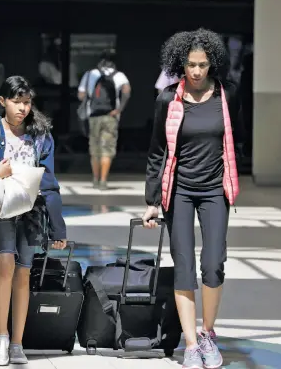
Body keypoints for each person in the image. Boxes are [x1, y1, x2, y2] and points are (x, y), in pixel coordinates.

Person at [142, 28, 243, 369]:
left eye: (202, 64)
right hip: (179, 191)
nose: (197, 71)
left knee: (213, 263)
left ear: (212, 63)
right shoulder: (167, 99)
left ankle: (207, 334)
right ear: (180, 64)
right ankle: (189, 344)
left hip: (216, 189)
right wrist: (153, 200)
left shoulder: (227, 95)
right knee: (183, 265)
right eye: (190, 65)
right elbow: (157, 152)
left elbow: (236, 138)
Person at [0, 76, 67, 366]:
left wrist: (58, 227)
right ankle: (1, 337)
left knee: (24, 272)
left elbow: (49, 183)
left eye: (27, 102)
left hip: (31, 211)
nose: (22, 108)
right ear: (3, 102)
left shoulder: (41, 135)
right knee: (5, 262)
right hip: (1, 209)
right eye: (16, 101)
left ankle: (17, 341)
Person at [77, 51, 131, 190]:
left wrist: (90, 98)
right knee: (107, 148)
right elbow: (127, 91)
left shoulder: (89, 74)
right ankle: (103, 181)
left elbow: (81, 95)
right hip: (110, 116)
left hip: (93, 116)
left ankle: (95, 179)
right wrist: (119, 109)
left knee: (94, 148)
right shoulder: (119, 75)